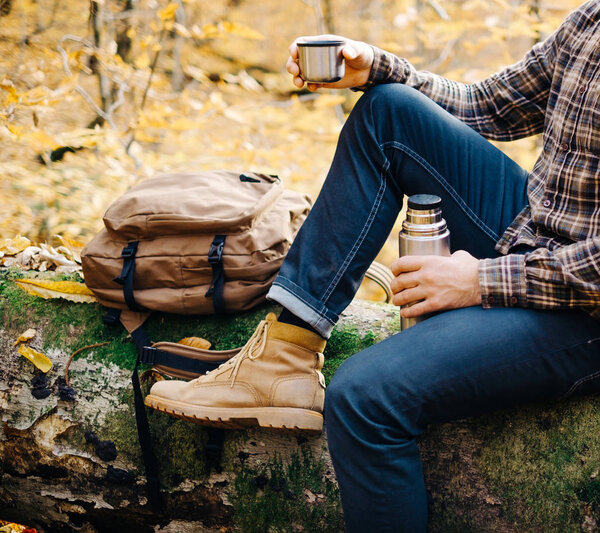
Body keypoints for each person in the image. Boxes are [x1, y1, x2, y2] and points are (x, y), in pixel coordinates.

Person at [145, 1, 600, 530]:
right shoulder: (590, 19)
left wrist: (480, 281)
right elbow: (487, 106)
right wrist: (380, 69)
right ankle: (284, 356)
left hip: (583, 310)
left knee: (365, 397)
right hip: (534, 228)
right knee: (390, 111)